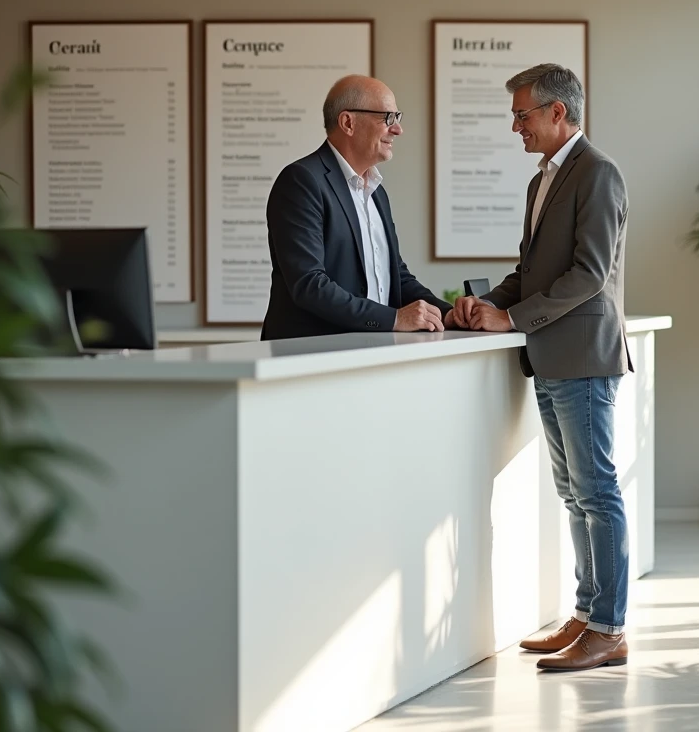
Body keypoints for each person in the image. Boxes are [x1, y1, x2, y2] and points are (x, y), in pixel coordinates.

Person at [449, 63, 632, 672]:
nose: (515, 127)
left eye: (522, 114)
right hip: (552, 357)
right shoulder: (542, 182)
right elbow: (531, 273)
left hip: (583, 356)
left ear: (558, 112)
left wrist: (512, 318)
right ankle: (586, 615)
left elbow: (590, 274)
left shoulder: (598, 173)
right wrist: (486, 305)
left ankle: (609, 629)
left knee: (597, 492)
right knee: (575, 494)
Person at [261, 75, 450, 340]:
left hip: (371, 351)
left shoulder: (377, 192)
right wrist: (394, 319)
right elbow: (309, 284)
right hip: (312, 354)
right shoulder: (302, 181)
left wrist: (447, 314)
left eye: (397, 118)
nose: (397, 129)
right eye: (388, 118)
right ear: (348, 122)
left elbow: (397, 276)